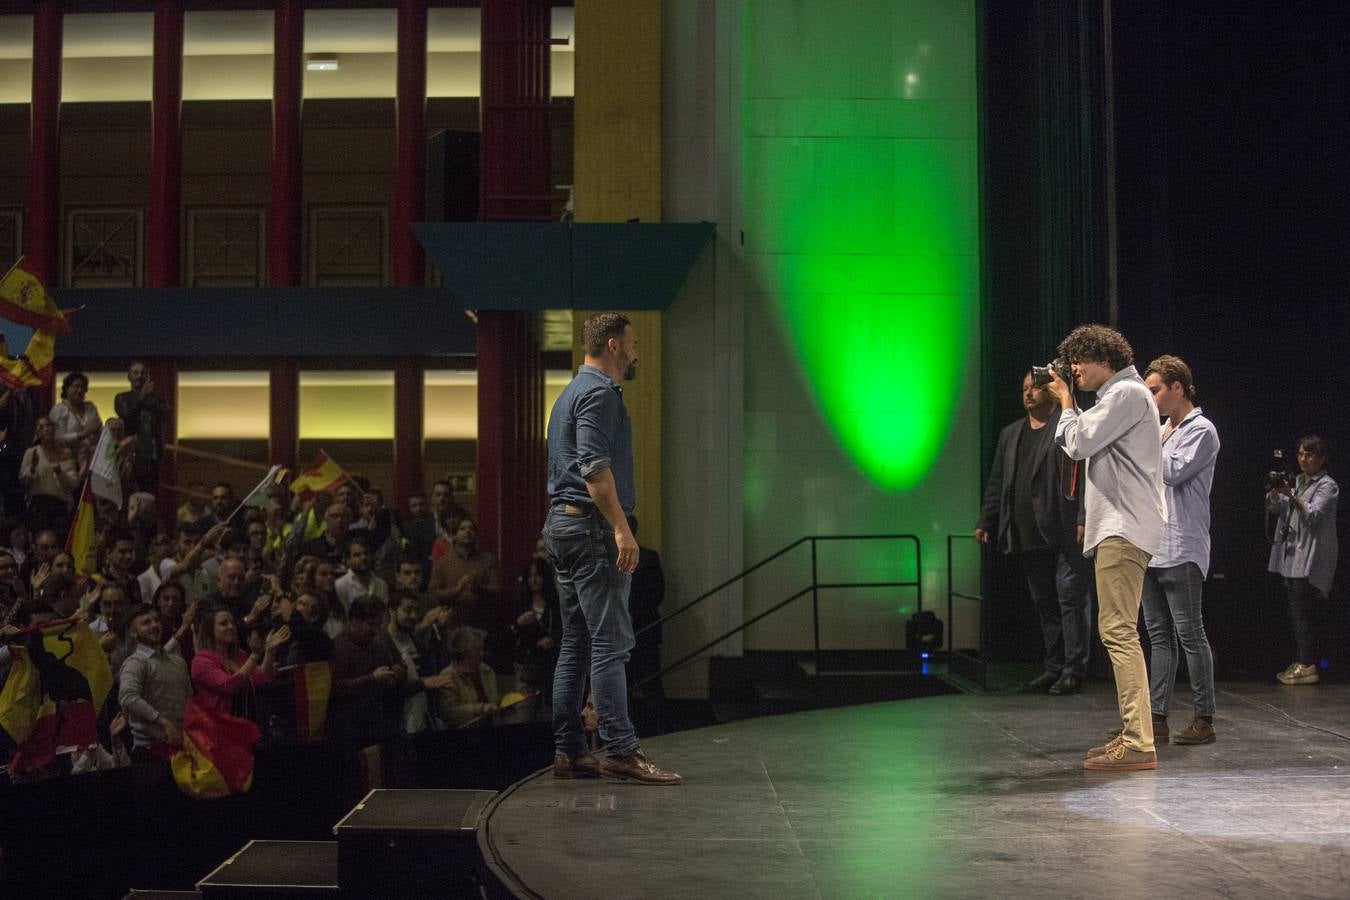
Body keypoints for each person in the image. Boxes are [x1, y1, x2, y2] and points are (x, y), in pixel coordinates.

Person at [542, 312, 680, 784]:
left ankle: (570, 750)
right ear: (615, 346)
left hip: (563, 527)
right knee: (611, 643)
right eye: (634, 342)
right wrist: (622, 528)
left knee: (576, 643)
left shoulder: (568, 396)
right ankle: (620, 748)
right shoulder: (599, 393)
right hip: (590, 529)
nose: (638, 351)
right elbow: (594, 469)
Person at [1045, 324, 1166, 772]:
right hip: (1120, 525)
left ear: (1102, 357)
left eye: (1078, 361)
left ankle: (1138, 740)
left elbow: (1076, 443)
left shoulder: (1126, 395)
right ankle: (1134, 733)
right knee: (1119, 630)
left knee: (1118, 632)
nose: (1073, 370)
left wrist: (1065, 402)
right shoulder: (1120, 398)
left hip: (1123, 526)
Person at [976, 372, 1090, 695]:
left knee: (1070, 598)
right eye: (1024, 388)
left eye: (1035, 388)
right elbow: (998, 480)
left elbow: (1084, 476)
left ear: (1051, 392)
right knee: (1045, 603)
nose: (1028, 394)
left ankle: (1074, 669)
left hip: (1066, 531)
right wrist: (987, 520)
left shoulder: (1067, 425)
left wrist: (1083, 516)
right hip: (1028, 533)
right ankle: (1054, 666)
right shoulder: (1011, 434)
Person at [1141, 356, 1221, 743]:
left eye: (1155, 390)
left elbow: (1172, 472)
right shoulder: (1160, 430)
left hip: (1183, 545)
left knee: (1190, 634)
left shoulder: (1201, 430)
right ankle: (1156, 718)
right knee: (1158, 637)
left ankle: (1204, 719)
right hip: (1152, 545)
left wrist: (1142, 441)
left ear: (1178, 388)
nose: (1151, 397)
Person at [1267, 434, 1338, 685]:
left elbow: (1314, 515)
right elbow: (1278, 510)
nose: (1303, 459)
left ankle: (1307, 663)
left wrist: (1291, 494)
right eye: (1300, 454)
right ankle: (1302, 660)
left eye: (1309, 454)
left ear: (1321, 458)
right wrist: (1276, 495)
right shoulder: (1297, 481)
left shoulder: (1327, 485)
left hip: (1310, 558)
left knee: (1304, 613)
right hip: (1292, 556)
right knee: (1297, 612)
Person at [330, 595, 405, 752]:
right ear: (354, 620)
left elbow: (391, 671)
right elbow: (336, 688)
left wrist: (396, 674)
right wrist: (372, 679)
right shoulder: (338, 647)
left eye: (379, 625)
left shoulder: (378, 644)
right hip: (349, 728)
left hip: (377, 722)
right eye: (371, 624)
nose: (376, 630)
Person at [191, 605, 289, 717]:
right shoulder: (201, 660)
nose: (231, 627)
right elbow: (229, 686)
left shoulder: (239, 655)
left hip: (245, 720)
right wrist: (255, 655)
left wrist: (269, 651)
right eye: (224, 624)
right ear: (210, 631)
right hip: (219, 726)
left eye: (232, 623)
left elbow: (263, 677)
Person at [379, 590, 452, 736]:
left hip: (421, 721)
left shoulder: (417, 642)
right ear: (392, 610)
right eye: (408, 610)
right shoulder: (381, 644)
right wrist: (423, 684)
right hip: (396, 726)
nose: (413, 616)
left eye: (415, 611)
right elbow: (386, 691)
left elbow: (430, 673)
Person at [427, 516, 501, 632]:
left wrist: (478, 588)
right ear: (454, 536)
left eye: (471, 529)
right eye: (462, 529)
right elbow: (433, 592)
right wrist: (457, 589)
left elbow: (497, 591)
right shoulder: (443, 562)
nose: (467, 531)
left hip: (483, 623)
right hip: (453, 625)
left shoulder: (489, 559)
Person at [114, 360, 171, 495]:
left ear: (148, 376)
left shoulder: (157, 398)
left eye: (143, 373)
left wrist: (149, 397)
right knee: (129, 495)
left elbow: (166, 416)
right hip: (130, 456)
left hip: (152, 455)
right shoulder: (122, 397)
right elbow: (128, 419)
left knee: (150, 497)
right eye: (135, 373)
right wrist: (141, 398)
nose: (139, 376)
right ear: (129, 376)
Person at [20, 417, 79, 537]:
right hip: (38, 505)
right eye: (41, 427)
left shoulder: (65, 453)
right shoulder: (32, 453)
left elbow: (73, 484)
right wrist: (32, 468)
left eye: (48, 425)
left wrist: (59, 472)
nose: (46, 429)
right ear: (37, 433)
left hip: (59, 507)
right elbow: (23, 481)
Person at [433, 626, 501, 729]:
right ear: (463, 651)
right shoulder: (448, 676)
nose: (482, 653)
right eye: (477, 650)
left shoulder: (486, 670)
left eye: (482, 649)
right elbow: (449, 713)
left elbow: (494, 699)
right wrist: (481, 708)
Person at [49, 371, 103, 451]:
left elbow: (97, 427)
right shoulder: (59, 410)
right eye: (76, 386)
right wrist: (84, 433)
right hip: (66, 456)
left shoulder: (90, 407)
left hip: (90, 454)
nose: (80, 390)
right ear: (67, 388)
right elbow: (58, 438)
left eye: (83, 387)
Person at [335, 537, 389, 613]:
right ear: (348, 560)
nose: (363, 557)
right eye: (357, 555)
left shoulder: (381, 584)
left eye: (366, 553)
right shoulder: (340, 585)